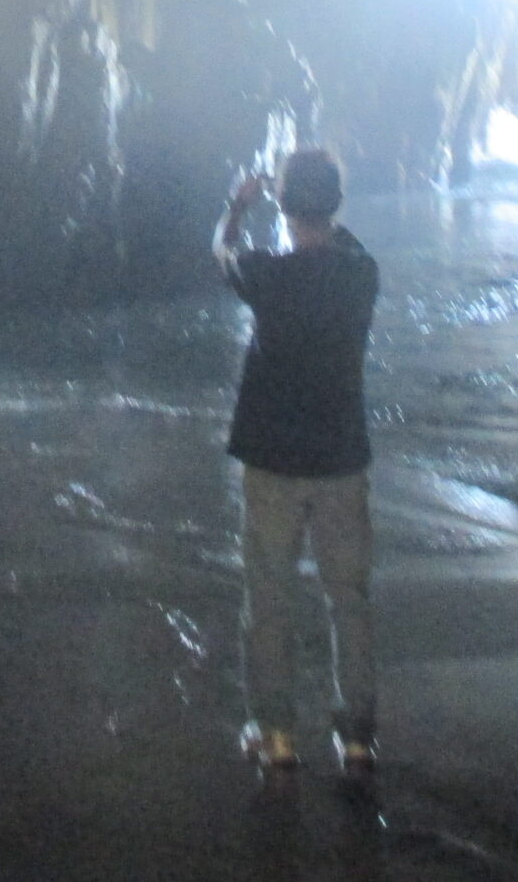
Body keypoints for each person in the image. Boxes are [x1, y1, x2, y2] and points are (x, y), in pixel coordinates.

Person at [214, 147, 380, 777]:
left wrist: (237, 206)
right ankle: (359, 736)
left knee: (270, 596)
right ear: (335, 206)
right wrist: (313, 205)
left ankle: (277, 734)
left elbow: (222, 253)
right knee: (350, 600)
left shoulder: (267, 276)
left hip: (274, 459)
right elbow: (348, 245)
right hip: (340, 458)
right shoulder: (362, 276)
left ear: (283, 205)